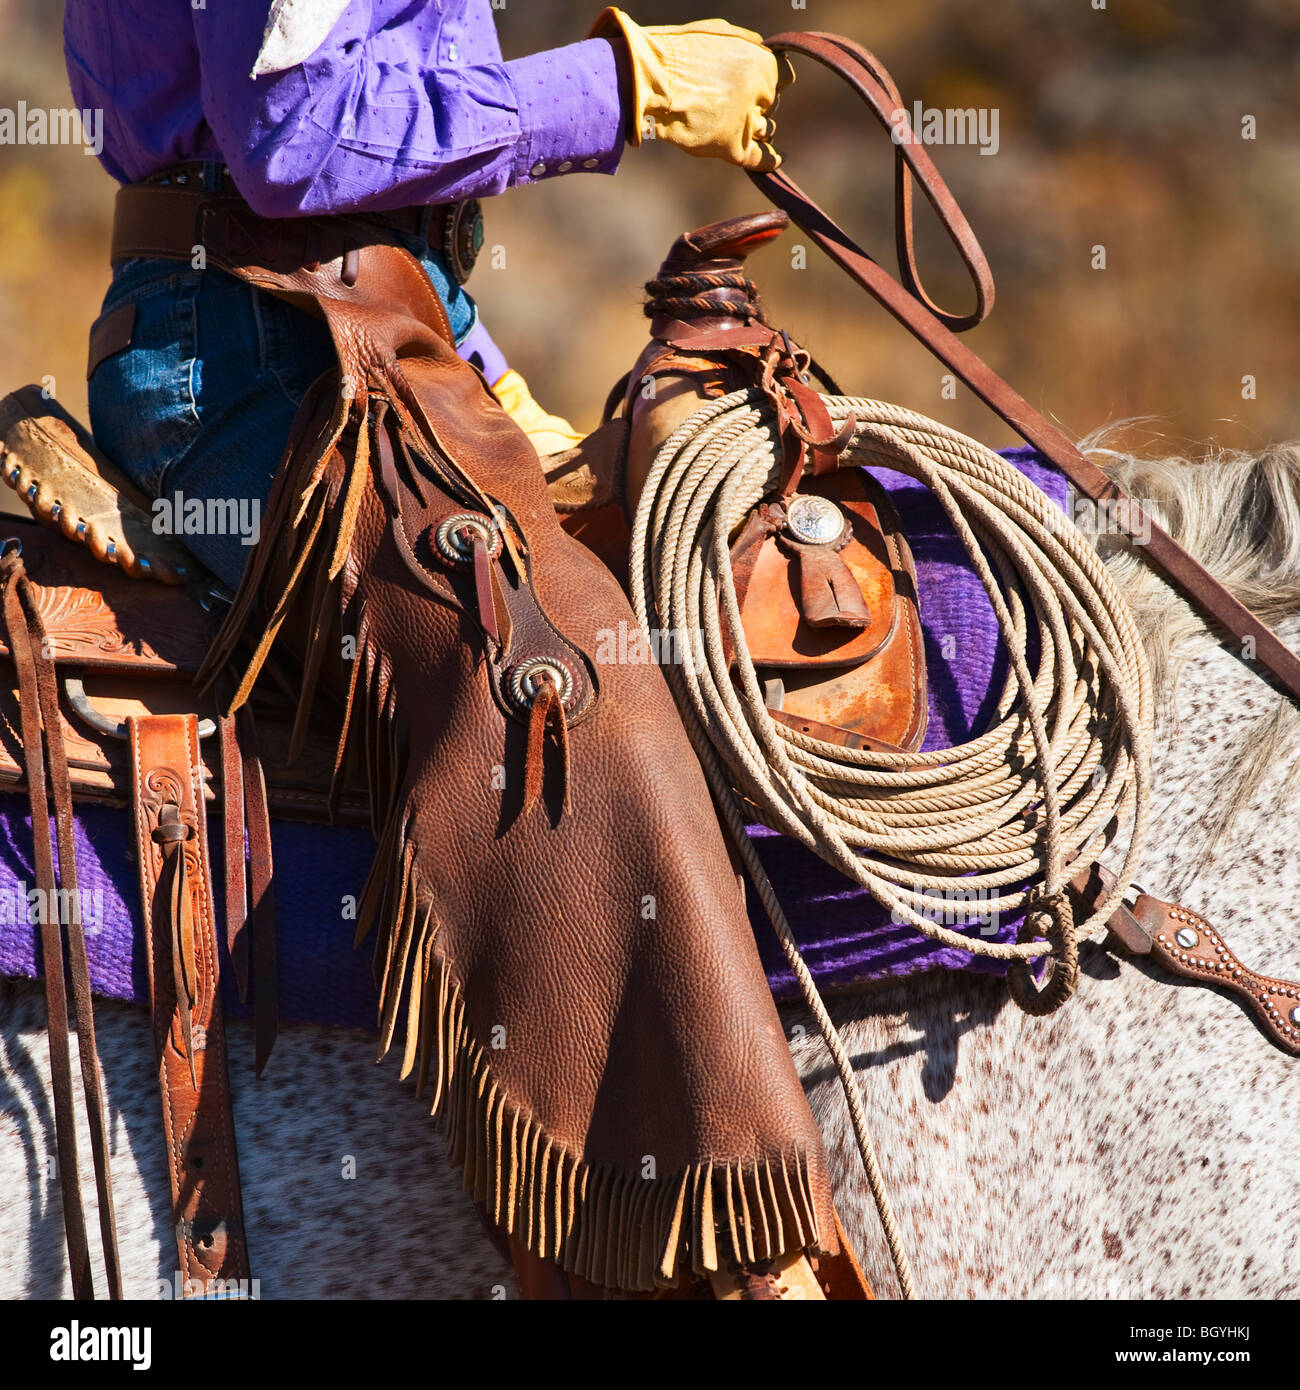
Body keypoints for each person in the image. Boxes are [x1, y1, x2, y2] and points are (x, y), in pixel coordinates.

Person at [63, 1, 858, 1301]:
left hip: (362, 323)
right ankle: (694, 1256)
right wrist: (626, 85)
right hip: (271, 346)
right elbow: (295, 134)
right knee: (568, 682)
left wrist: (469, 363)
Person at [65, 1, 786, 590]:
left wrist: (483, 371)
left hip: (332, 326)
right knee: (559, 660)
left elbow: (375, 209)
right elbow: (294, 138)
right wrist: (622, 87)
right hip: (246, 346)